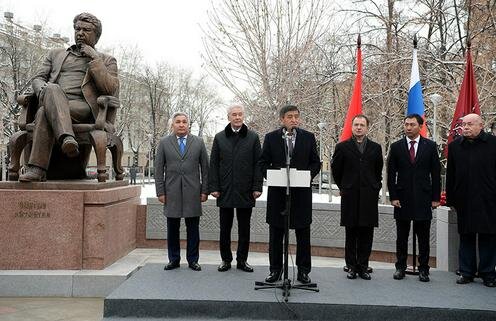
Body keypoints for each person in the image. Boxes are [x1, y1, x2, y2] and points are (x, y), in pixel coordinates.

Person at [19, 13, 119, 182]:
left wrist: (94, 58)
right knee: (50, 91)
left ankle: (37, 168)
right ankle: (67, 138)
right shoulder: (56, 54)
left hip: (82, 107)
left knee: (44, 112)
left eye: (86, 30)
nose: (80, 33)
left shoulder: (106, 60)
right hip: (51, 96)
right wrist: (43, 90)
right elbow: (38, 78)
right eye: (77, 29)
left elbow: (109, 88)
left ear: (96, 35)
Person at [259, 105, 320, 284]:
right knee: (276, 235)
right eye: (290, 116)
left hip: (301, 195)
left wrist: (306, 175)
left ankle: (303, 271)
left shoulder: (308, 137)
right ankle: (275, 270)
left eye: (296, 116)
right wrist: (272, 175)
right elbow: (263, 162)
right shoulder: (271, 138)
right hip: (278, 196)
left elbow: (315, 162)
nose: (294, 119)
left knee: (303, 234)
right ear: (282, 120)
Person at [209, 105, 263, 273]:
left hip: (246, 190)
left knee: (244, 228)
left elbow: (258, 165)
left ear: (243, 116)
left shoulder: (253, 138)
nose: (238, 117)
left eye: (240, 114)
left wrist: (257, 187)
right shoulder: (219, 138)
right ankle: (226, 260)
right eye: (234, 114)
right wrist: (214, 187)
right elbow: (214, 165)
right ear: (229, 117)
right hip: (224, 190)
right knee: (225, 228)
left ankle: (242, 260)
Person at [387, 114, 441, 282]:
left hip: (424, 199)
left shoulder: (430, 147)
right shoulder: (396, 147)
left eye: (412, 124)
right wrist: (393, 196)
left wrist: (435, 198)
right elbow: (391, 174)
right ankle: (400, 267)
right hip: (402, 199)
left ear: (420, 126)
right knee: (401, 237)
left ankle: (424, 269)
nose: (408, 127)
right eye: (406, 124)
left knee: (423, 237)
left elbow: (436, 174)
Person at [446, 113, 496, 287]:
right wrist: (451, 199)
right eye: (463, 124)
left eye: (469, 124)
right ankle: (466, 272)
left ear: (481, 126)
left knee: (488, 237)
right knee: (466, 236)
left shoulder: (493, 144)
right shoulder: (455, 147)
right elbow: (450, 175)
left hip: (488, 200)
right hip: (464, 200)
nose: (465, 127)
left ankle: (488, 274)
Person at [155, 112, 209, 272]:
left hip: (193, 192)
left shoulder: (198, 142)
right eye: (178, 121)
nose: (181, 124)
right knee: (172, 228)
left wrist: (204, 190)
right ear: (173, 124)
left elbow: (205, 169)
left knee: (193, 228)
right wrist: (160, 192)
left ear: (188, 124)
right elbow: (158, 170)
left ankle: (193, 260)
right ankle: (174, 259)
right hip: (171, 192)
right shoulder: (164, 143)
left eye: (184, 121)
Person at [331, 115, 383, 280]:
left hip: (369, 196)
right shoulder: (342, 147)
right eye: (356, 125)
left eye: (362, 125)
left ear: (367, 127)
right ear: (352, 127)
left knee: (366, 233)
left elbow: (378, 170)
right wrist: (344, 187)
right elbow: (336, 171)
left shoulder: (375, 148)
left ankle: (363, 266)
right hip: (350, 195)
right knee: (351, 232)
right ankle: (351, 266)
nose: (359, 127)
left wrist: (375, 187)